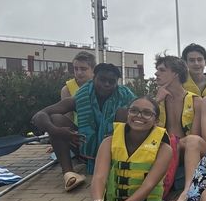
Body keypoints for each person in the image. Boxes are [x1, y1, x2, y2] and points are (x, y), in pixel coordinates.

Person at [32, 63, 135, 191]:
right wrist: (57, 131)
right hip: (85, 147)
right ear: (94, 78)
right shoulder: (81, 97)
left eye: (111, 81)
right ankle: (69, 174)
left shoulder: (126, 97)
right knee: (56, 119)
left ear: (117, 83)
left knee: (124, 113)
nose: (107, 84)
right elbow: (39, 116)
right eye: (102, 80)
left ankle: (118, 166)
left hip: (115, 149)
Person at [152, 55, 206, 201]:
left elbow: (195, 134)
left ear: (176, 74)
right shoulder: (157, 100)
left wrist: (174, 143)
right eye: (157, 70)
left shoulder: (196, 101)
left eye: (162, 70)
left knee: (191, 140)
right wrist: (156, 102)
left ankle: (187, 192)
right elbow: (146, 132)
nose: (156, 74)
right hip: (167, 148)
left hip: (191, 148)